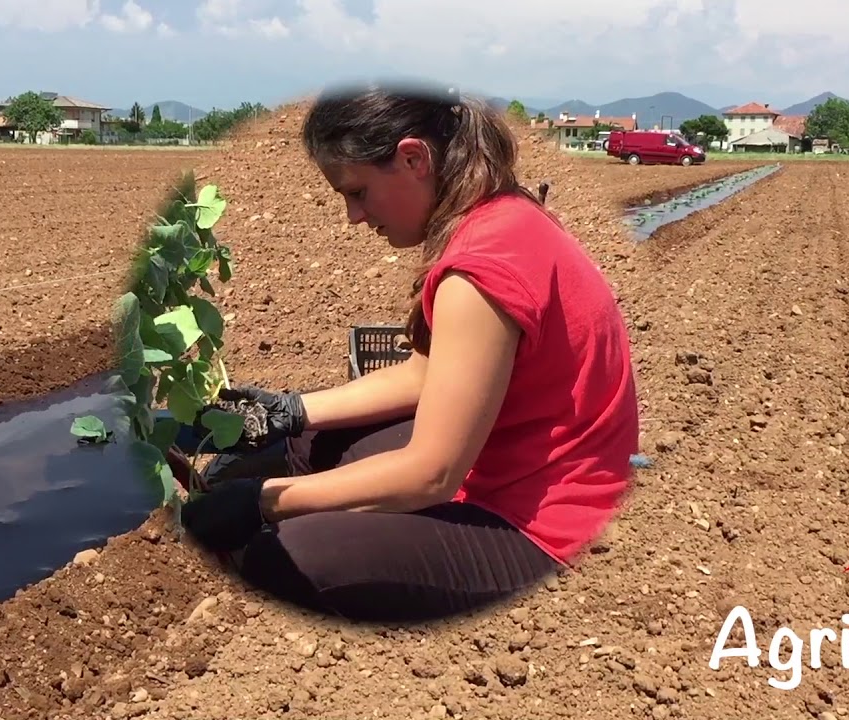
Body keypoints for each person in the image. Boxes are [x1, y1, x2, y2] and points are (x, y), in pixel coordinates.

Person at [178, 80, 640, 624]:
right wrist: (292, 410)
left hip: (549, 526)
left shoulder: (481, 269)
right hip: (512, 464)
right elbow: (426, 375)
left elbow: (431, 474)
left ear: (413, 158)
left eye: (357, 192)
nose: (353, 216)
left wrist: (264, 501)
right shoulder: (494, 214)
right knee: (310, 442)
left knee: (295, 556)